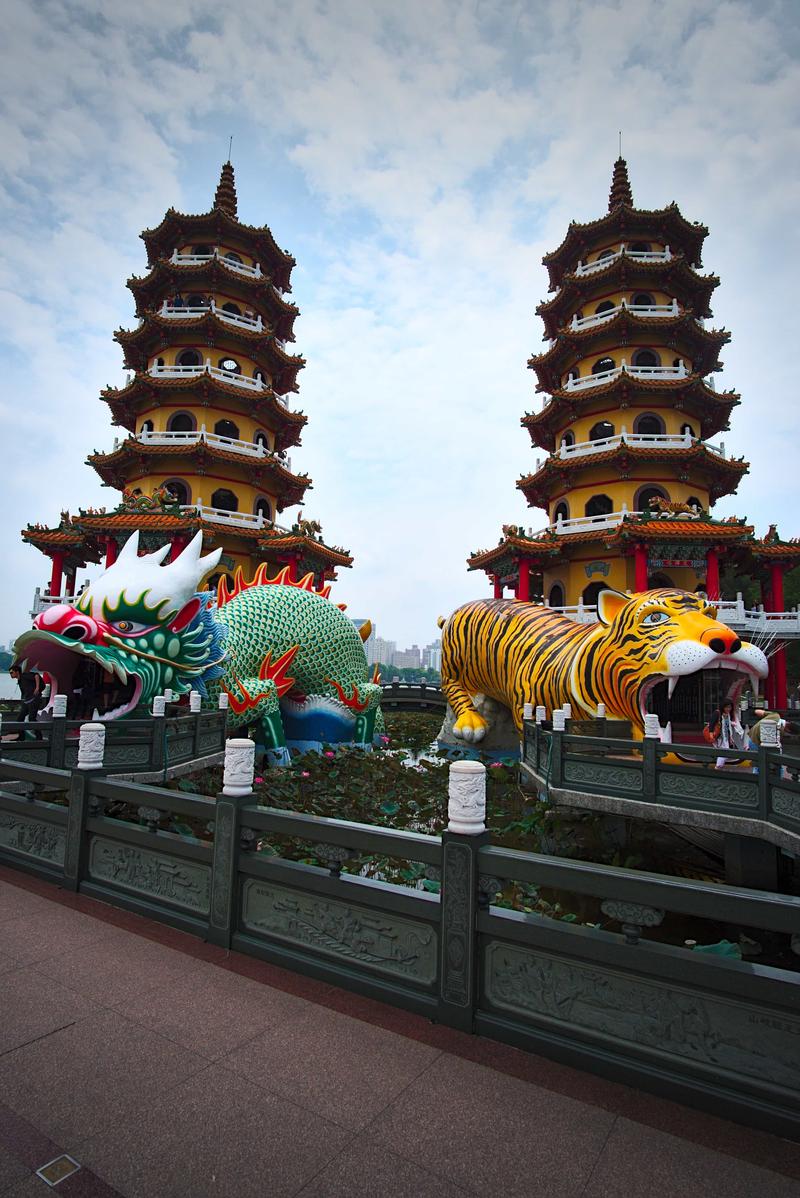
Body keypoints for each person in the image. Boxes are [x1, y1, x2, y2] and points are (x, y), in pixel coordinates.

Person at [9, 662, 43, 740]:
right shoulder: (20, 681)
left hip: (35, 700)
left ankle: (39, 737)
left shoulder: (25, 676)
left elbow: (36, 675)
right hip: (27, 701)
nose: (10, 674)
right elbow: (24, 693)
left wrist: (37, 688)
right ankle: (21, 736)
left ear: (17, 672)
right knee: (20, 718)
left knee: (32, 718)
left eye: (12, 672)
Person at [708, 699, 745, 768]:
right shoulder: (717, 713)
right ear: (723, 707)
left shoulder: (728, 715)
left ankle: (718, 766)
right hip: (719, 737)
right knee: (725, 752)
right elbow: (711, 724)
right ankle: (718, 767)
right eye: (727, 707)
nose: (728, 709)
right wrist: (711, 735)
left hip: (726, 737)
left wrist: (730, 736)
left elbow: (727, 726)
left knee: (724, 752)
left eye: (730, 707)